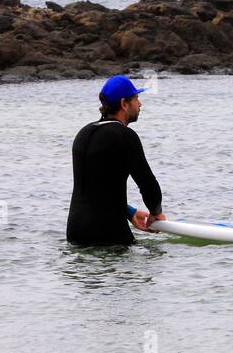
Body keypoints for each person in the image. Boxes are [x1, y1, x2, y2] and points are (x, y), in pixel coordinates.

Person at [66, 75, 166, 245]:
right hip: (109, 235)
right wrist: (155, 213)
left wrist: (129, 212)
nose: (140, 104)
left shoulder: (83, 134)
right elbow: (148, 185)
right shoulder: (124, 136)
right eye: (136, 98)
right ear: (124, 104)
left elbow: (93, 191)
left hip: (75, 232)